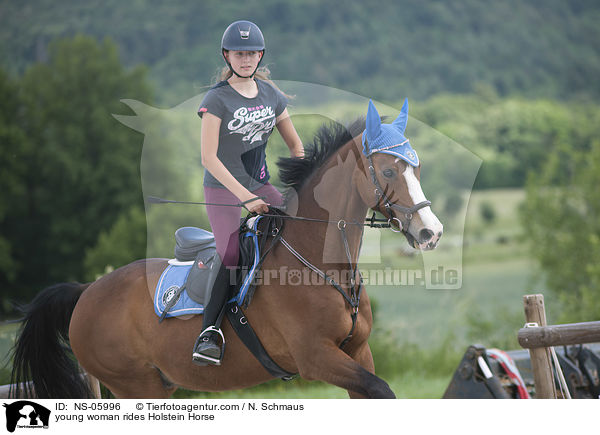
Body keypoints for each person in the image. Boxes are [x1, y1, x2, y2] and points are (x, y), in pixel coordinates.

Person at [192, 20, 304, 365]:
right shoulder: (217, 99)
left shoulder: (272, 94)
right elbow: (208, 158)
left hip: (261, 185)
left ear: (260, 56)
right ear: (227, 55)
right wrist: (244, 197)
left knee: (299, 231)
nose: (246, 59)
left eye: (252, 53)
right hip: (224, 190)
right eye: (239, 54)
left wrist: (301, 184)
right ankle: (208, 333)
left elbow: (296, 145)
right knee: (230, 256)